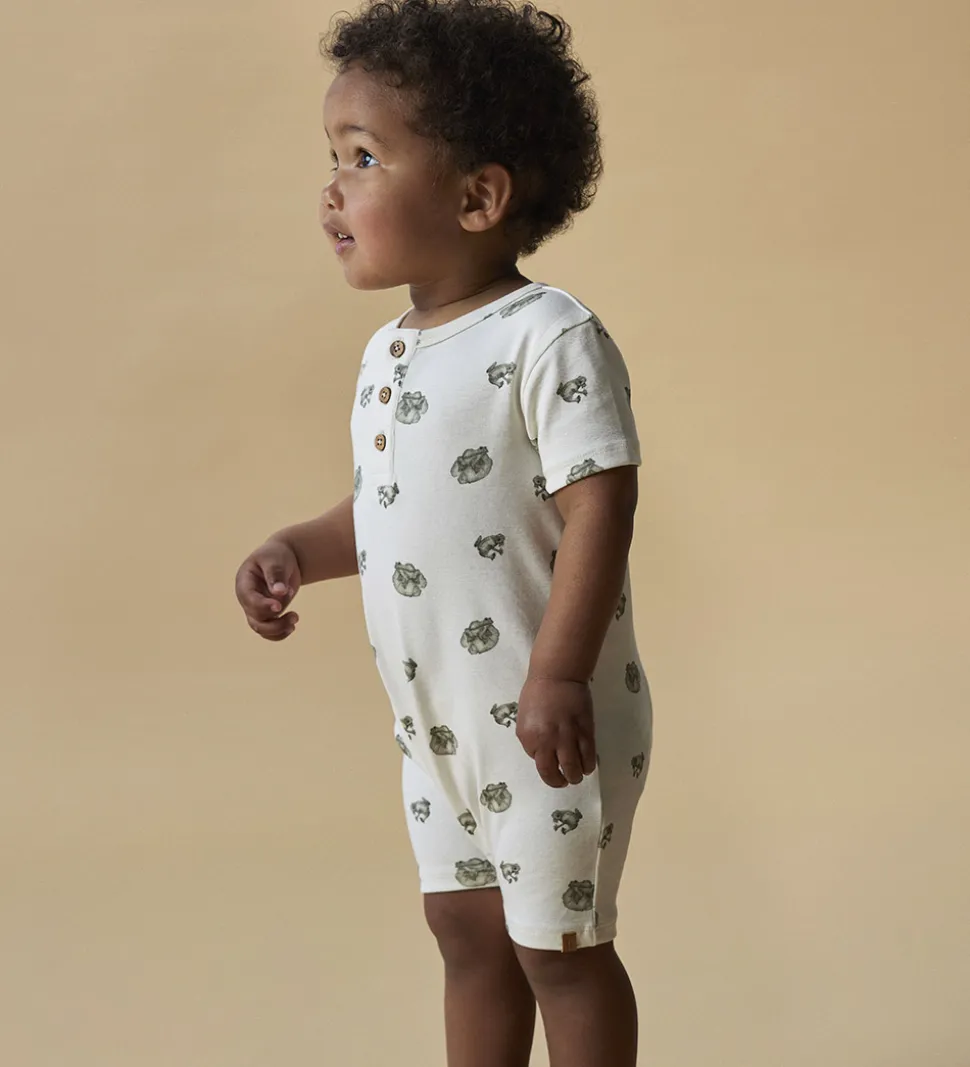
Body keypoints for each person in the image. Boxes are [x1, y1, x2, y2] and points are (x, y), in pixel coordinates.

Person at [234, 2, 653, 1064]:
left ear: (477, 197)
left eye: (363, 157)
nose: (332, 188)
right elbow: (390, 506)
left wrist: (558, 672)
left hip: (545, 721)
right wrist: (299, 549)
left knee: (558, 948)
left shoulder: (549, 336)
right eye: (332, 157)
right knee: (466, 934)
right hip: (435, 725)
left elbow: (601, 504)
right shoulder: (388, 354)